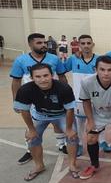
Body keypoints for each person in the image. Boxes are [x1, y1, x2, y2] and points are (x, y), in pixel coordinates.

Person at [13, 63, 79, 181]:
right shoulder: (25, 90)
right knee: (32, 138)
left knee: (72, 136)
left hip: (61, 115)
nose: (43, 79)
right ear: (32, 78)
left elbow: (70, 109)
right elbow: (25, 111)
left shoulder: (64, 88)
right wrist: (31, 130)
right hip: (40, 115)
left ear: (52, 75)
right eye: (38, 77)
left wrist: (69, 129)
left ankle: (72, 165)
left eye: (45, 75)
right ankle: (39, 166)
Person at [10, 33, 68, 165]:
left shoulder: (54, 58)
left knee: (56, 121)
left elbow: (62, 76)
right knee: (30, 124)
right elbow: (16, 81)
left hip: (53, 95)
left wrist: (65, 93)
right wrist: (16, 100)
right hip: (30, 98)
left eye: (44, 43)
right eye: (39, 43)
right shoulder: (21, 60)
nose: (43, 45)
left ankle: (61, 144)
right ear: (30, 44)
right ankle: (30, 150)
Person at [65, 34, 99, 156]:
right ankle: (79, 144)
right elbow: (60, 71)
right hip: (78, 98)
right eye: (83, 43)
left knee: (99, 121)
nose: (86, 46)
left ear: (93, 45)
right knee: (79, 123)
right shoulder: (73, 59)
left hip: (96, 97)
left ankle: (104, 141)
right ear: (78, 45)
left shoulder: (99, 59)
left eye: (88, 43)